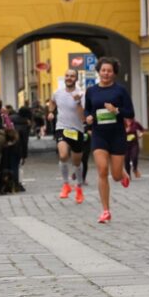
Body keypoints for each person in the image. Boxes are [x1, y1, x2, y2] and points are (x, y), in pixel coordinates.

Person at [84, 57, 134, 223]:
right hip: (99, 135)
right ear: (99, 72)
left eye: (109, 71)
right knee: (102, 170)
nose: (106, 73)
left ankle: (122, 173)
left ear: (114, 73)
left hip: (117, 135)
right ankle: (105, 210)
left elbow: (130, 113)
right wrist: (88, 117)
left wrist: (116, 110)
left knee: (116, 176)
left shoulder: (120, 90)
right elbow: (87, 110)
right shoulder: (91, 91)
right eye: (103, 70)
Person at [48, 69, 86, 203]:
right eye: (67, 76)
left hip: (77, 130)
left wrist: (78, 102)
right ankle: (66, 184)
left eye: (72, 76)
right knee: (63, 155)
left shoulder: (81, 94)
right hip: (62, 128)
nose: (69, 78)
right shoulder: (58, 93)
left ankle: (79, 187)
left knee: (76, 162)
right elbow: (52, 102)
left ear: (76, 79)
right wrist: (51, 111)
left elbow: (83, 117)